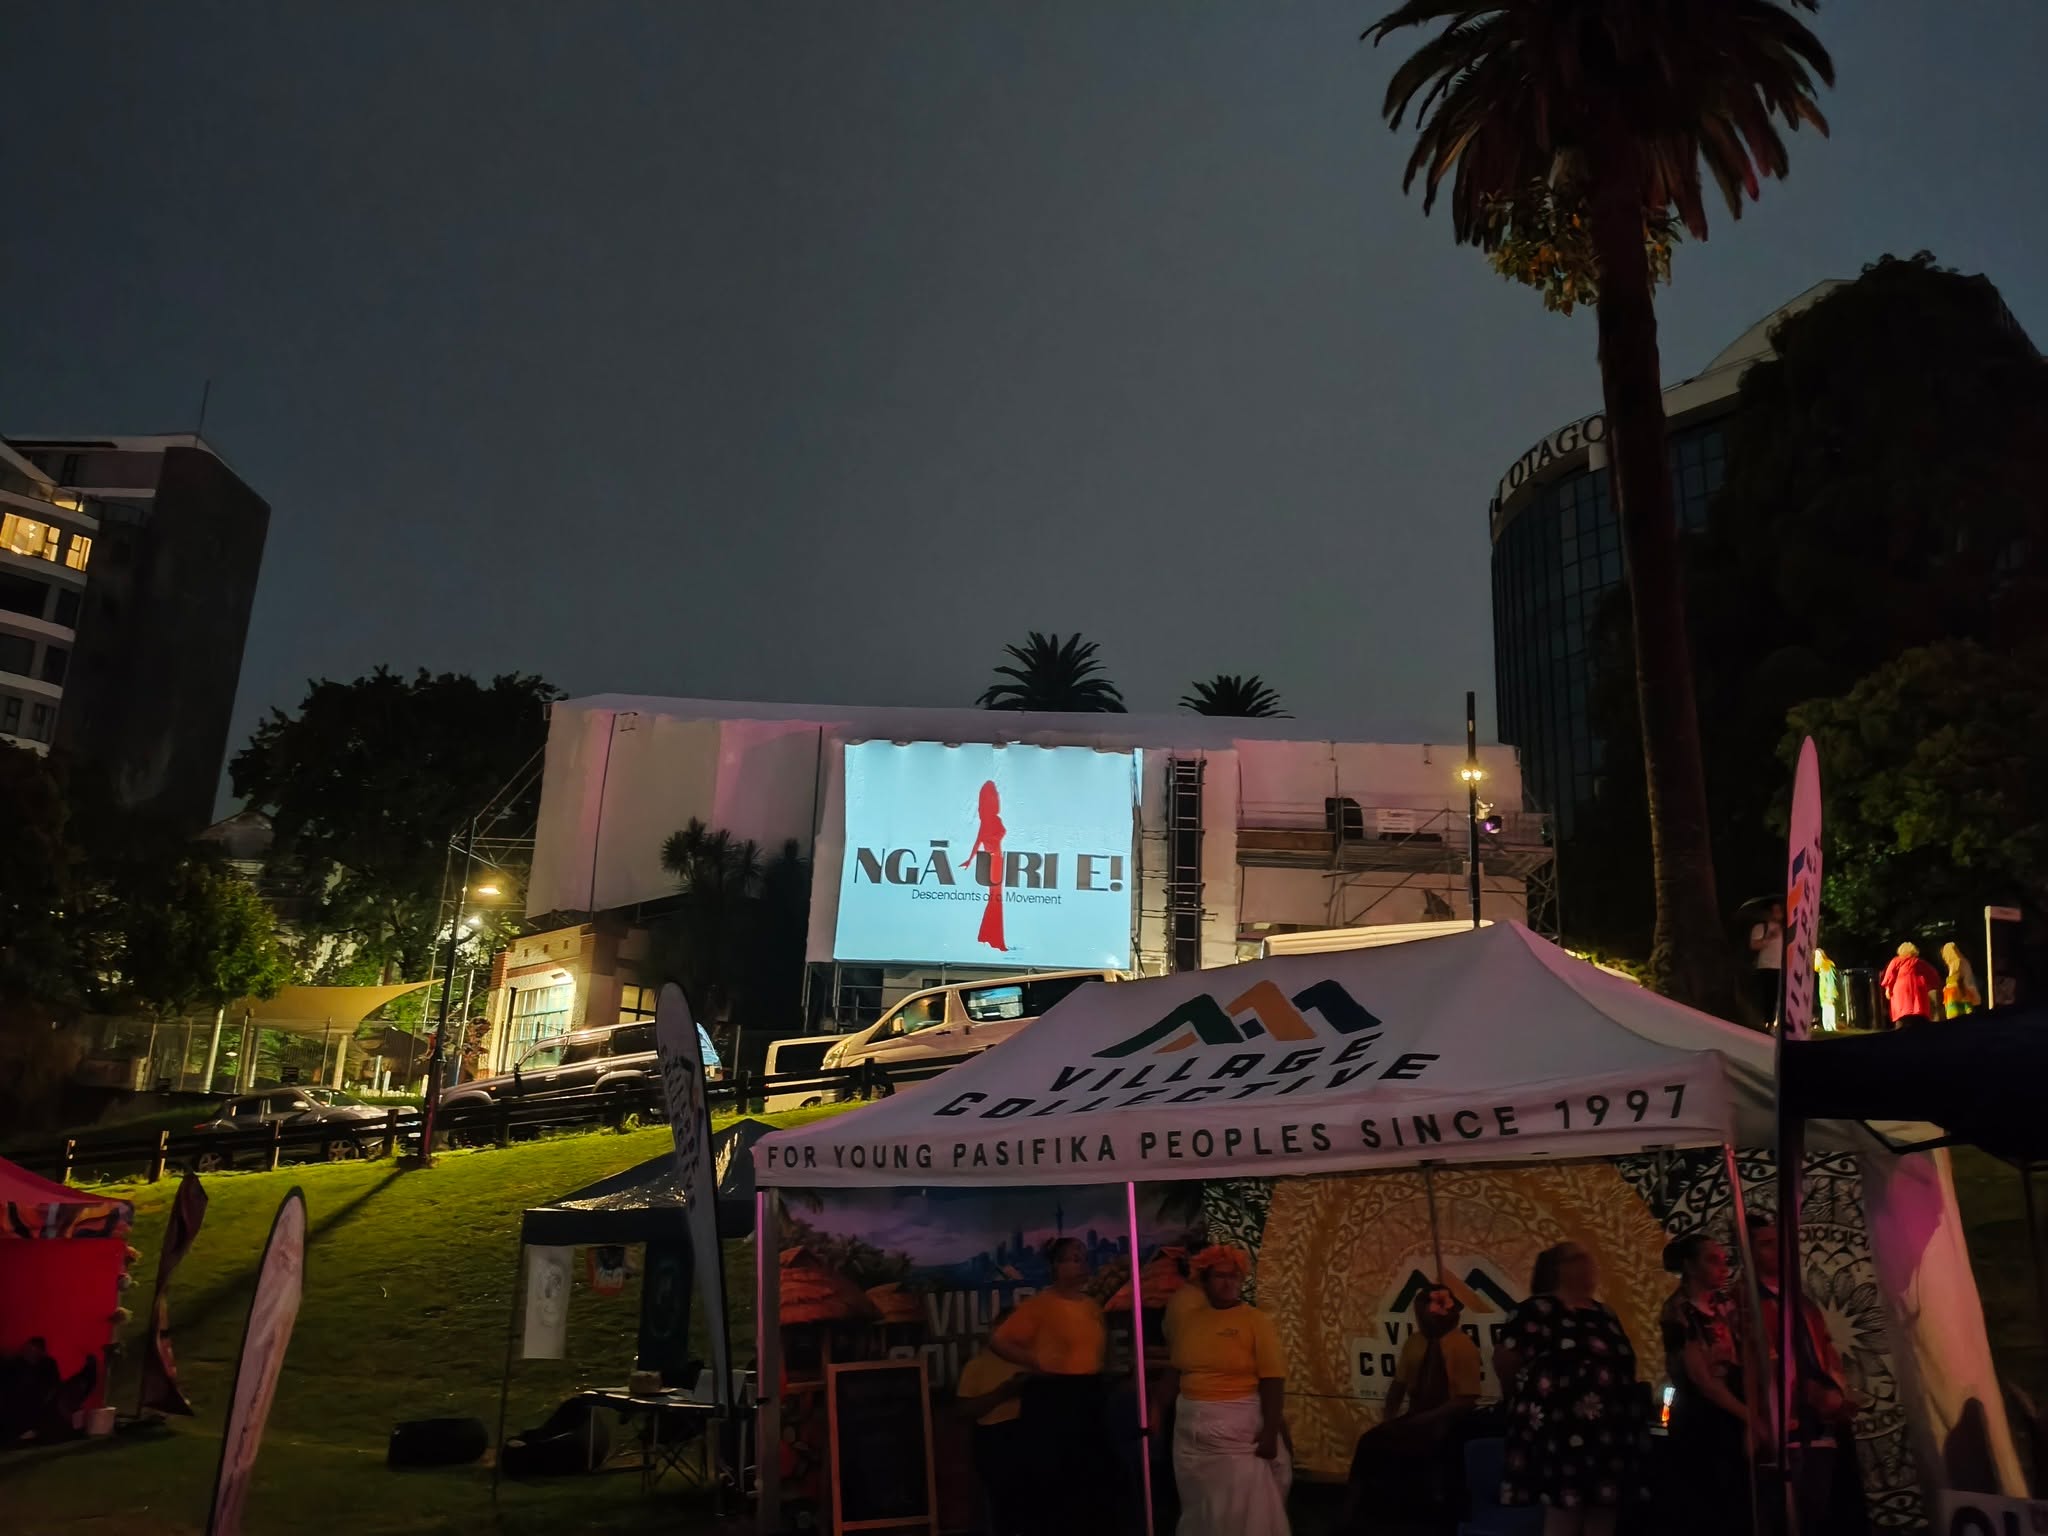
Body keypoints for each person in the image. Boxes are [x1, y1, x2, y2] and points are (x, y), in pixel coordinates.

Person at [1496, 1242, 1646, 1535]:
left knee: (1603, 1509)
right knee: (1565, 1509)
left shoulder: (1605, 1314)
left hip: (1609, 1429)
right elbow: (1506, 1360)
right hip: (1561, 1431)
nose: (1589, 1266)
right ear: (1559, 1269)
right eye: (1579, 1259)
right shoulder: (1536, 1311)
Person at [1162, 1245, 1291, 1536]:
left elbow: (1273, 1379)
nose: (1228, 1282)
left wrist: (1270, 1430)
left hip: (1235, 1419)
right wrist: (1156, 1409)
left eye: (1234, 1276)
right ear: (1205, 1281)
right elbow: (1175, 1369)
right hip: (1190, 1427)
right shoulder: (1191, 1320)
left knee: (1241, 1500)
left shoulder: (1255, 1321)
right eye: (1220, 1276)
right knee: (1201, 1501)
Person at [1746, 1214, 1862, 1536]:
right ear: (1748, 1252)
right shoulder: (1746, 1304)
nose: (1776, 1251)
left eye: (1777, 1243)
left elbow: (1825, 1350)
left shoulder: (1801, 1300)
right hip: (1784, 1425)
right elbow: (1761, 1364)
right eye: (1766, 1244)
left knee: (1825, 1514)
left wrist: (1837, 1390)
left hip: (1819, 1423)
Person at [1337, 1281, 1483, 1532]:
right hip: (1418, 1415)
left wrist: (1430, 1418)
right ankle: (1355, 1515)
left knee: (1424, 1453)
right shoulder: (1415, 1342)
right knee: (1371, 1442)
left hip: (1450, 1420)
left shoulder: (1462, 1345)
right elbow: (1399, 1385)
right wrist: (1389, 1418)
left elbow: (1466, 1399)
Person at [991, 1237, 1113, 1533]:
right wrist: (1036, 1362)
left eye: (1083, 1256)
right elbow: (999, 1340)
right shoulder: (1041, 1305)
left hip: (1089, 1395)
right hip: (1055, 1398)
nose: (1082, 1263)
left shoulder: (1092, 1306)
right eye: (1073, 1258)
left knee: (1092, 1478)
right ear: (1055, 1267)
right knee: (1055, 1481)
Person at [1659, 1233, 1756, 1536]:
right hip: (1701, 1415)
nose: (1722, 1267)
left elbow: (1750, 1355)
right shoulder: (1678, 1311)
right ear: (1690, 1265)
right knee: (1710, 1499)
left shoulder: (1727, 1306)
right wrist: (1749, 1416)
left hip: (1735, 1405)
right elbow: (1701, 1379)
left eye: (1724, 1260)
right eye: (1712, 1260)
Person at [955, 1308, 1030, 1536]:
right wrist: (1002, 1393)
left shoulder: (1033, 1361)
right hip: (994, 1440)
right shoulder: (977, 1366)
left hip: (1031, 1436)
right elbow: (964, 1410)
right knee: (999, 1505)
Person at [1881, 942, 1942, 1027]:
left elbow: (1889, 975)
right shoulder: (1918, 962)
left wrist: (1888, 988)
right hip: (1917, 991)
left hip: (1900, 992)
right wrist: (1931, 986)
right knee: (1918, 1017)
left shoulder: (1896, 961)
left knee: (1902, 1017)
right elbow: (1933, 974)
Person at [1749, 901, 1785, 1024]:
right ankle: (1767, 1023)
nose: (1777, 913)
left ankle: (1778, 1023)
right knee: (1768, 998)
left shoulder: (1787, 929)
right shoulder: (1761, 927)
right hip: (1766, 967)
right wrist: (1769, 937)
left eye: (1779, 910)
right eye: (1774, 910)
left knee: (1781, 998)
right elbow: (1754, 945)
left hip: (1783, 968)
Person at [1942, 942, 1983, 1019]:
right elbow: (1968, 982)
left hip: (1953, 1000)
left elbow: (1962, 982)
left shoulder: (1954, 965)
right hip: (1961, 997)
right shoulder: (1961, 962)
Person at [1814, 948, 1840, 1032]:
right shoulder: (1821, 968)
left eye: (1818, 955)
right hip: (1824, 993)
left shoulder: (1827, 965)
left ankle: (1831, 1026)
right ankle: (1829, 1027)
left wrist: (1830, 994)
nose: (1817, 957)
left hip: (1828, 992)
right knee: (1826, 1009)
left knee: (1829, 1008)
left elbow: (1831, 981)